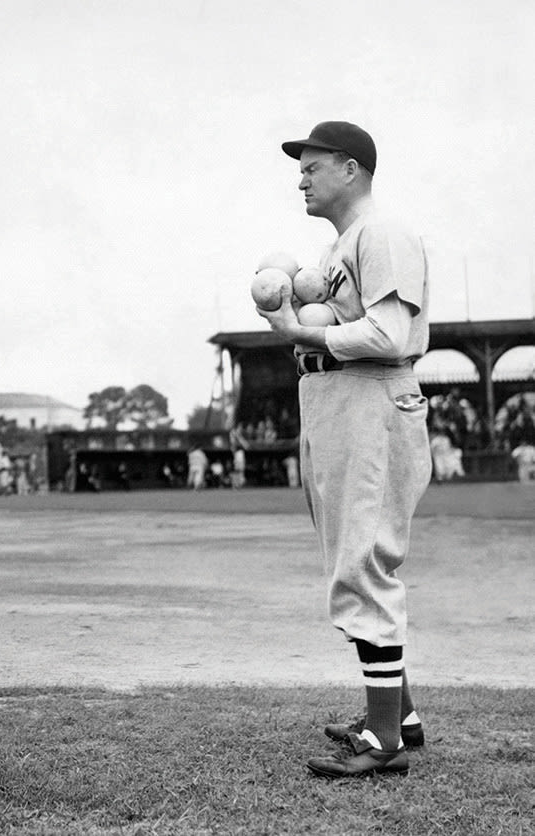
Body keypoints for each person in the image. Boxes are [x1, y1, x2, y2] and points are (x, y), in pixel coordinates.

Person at [257, 122, 432, 778]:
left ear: (351, 170)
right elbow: (341, 321)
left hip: (373, 399)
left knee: (365, 563)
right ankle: (400, 716)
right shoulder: (343, 246)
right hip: (338, 402)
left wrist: (299, 328)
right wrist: (297, 317)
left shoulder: (382, 234)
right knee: (352, 560)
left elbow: (390, 332)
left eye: (313, 165)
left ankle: (383, 743)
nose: (301, 176)